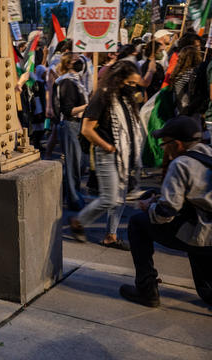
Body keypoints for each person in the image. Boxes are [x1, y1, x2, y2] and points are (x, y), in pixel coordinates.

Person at [120, 115, 212, 307]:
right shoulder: (208, 153)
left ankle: (146, 289)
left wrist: (149, 207)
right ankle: (208, 289)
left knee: (138, 223)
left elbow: (166, 213)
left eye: (164, 144)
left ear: (177, 144)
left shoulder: (180, 164)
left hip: (202, 235)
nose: (164, 148)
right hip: (208, 230)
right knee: (190, 227)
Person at [70, 61, 144, 250]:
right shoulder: (102, 97)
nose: (133, 87)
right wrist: (108, 147)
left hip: (123, 155)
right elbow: (87, 129)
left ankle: (111, 236)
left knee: (120, 197)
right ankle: (78, 221)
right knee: (111, 198)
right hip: (107, 154)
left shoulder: (124, 98)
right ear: (119, 79)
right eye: (131, 82)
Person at [55, 53, 87, 211]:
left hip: (76, 125)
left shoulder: (76, 81)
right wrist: (88, 106)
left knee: (77, 164)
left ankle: (66, 195)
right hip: (70, 125)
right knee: (74, 164)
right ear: (68, 64)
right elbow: (68, 110)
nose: (80, 62)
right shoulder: (67, 82)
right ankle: (74, 200)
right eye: (75, 60)